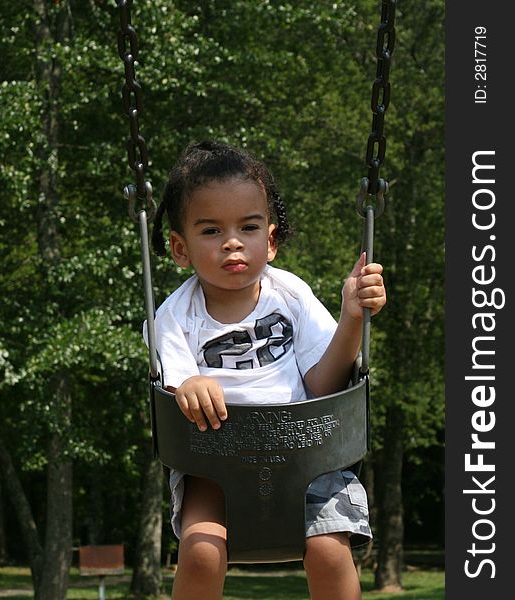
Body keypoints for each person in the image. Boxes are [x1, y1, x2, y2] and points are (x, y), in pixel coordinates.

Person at [148, 140, 387, 600]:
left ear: (271, 240)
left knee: (330, 551)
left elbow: (322, 382)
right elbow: (174, 381)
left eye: (248, 226)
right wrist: (191, 384)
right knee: (200, 551)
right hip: (214, 464)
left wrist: (352, 317)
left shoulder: (291, 295)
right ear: (180, 248)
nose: (233, 241)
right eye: (212, 230)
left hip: (306, 456)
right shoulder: (173, 317)